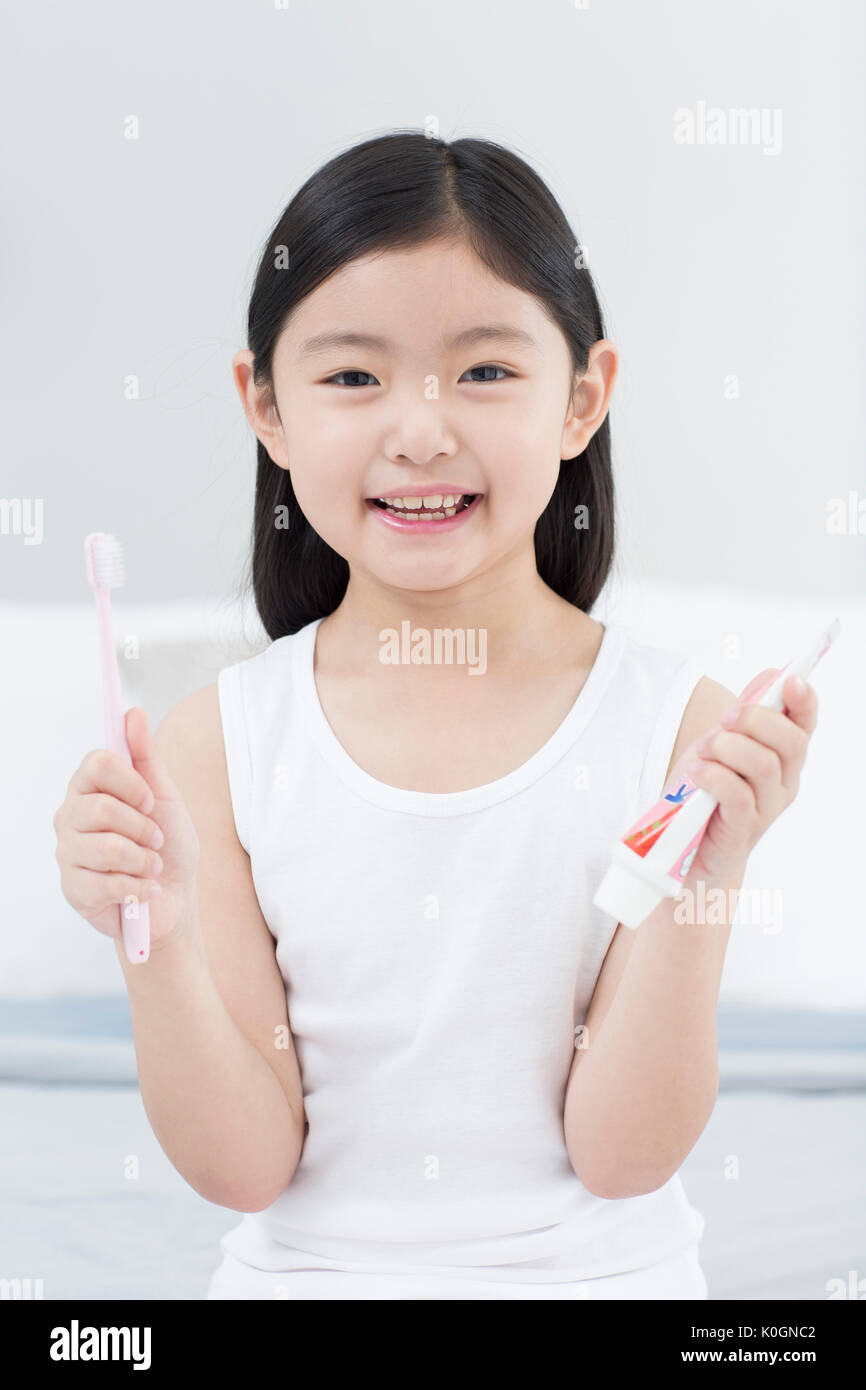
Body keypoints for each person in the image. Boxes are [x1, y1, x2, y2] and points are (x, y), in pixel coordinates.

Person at [53, 131, 819, 1300]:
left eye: (484, 371)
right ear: (264, 406)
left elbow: (621, 1156)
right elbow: (245, 1165)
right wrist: (156, 939)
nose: (419, 430)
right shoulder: (215, 743)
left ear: (583, 398)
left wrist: (706, 871)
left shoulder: (679, 729)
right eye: (352, 377)